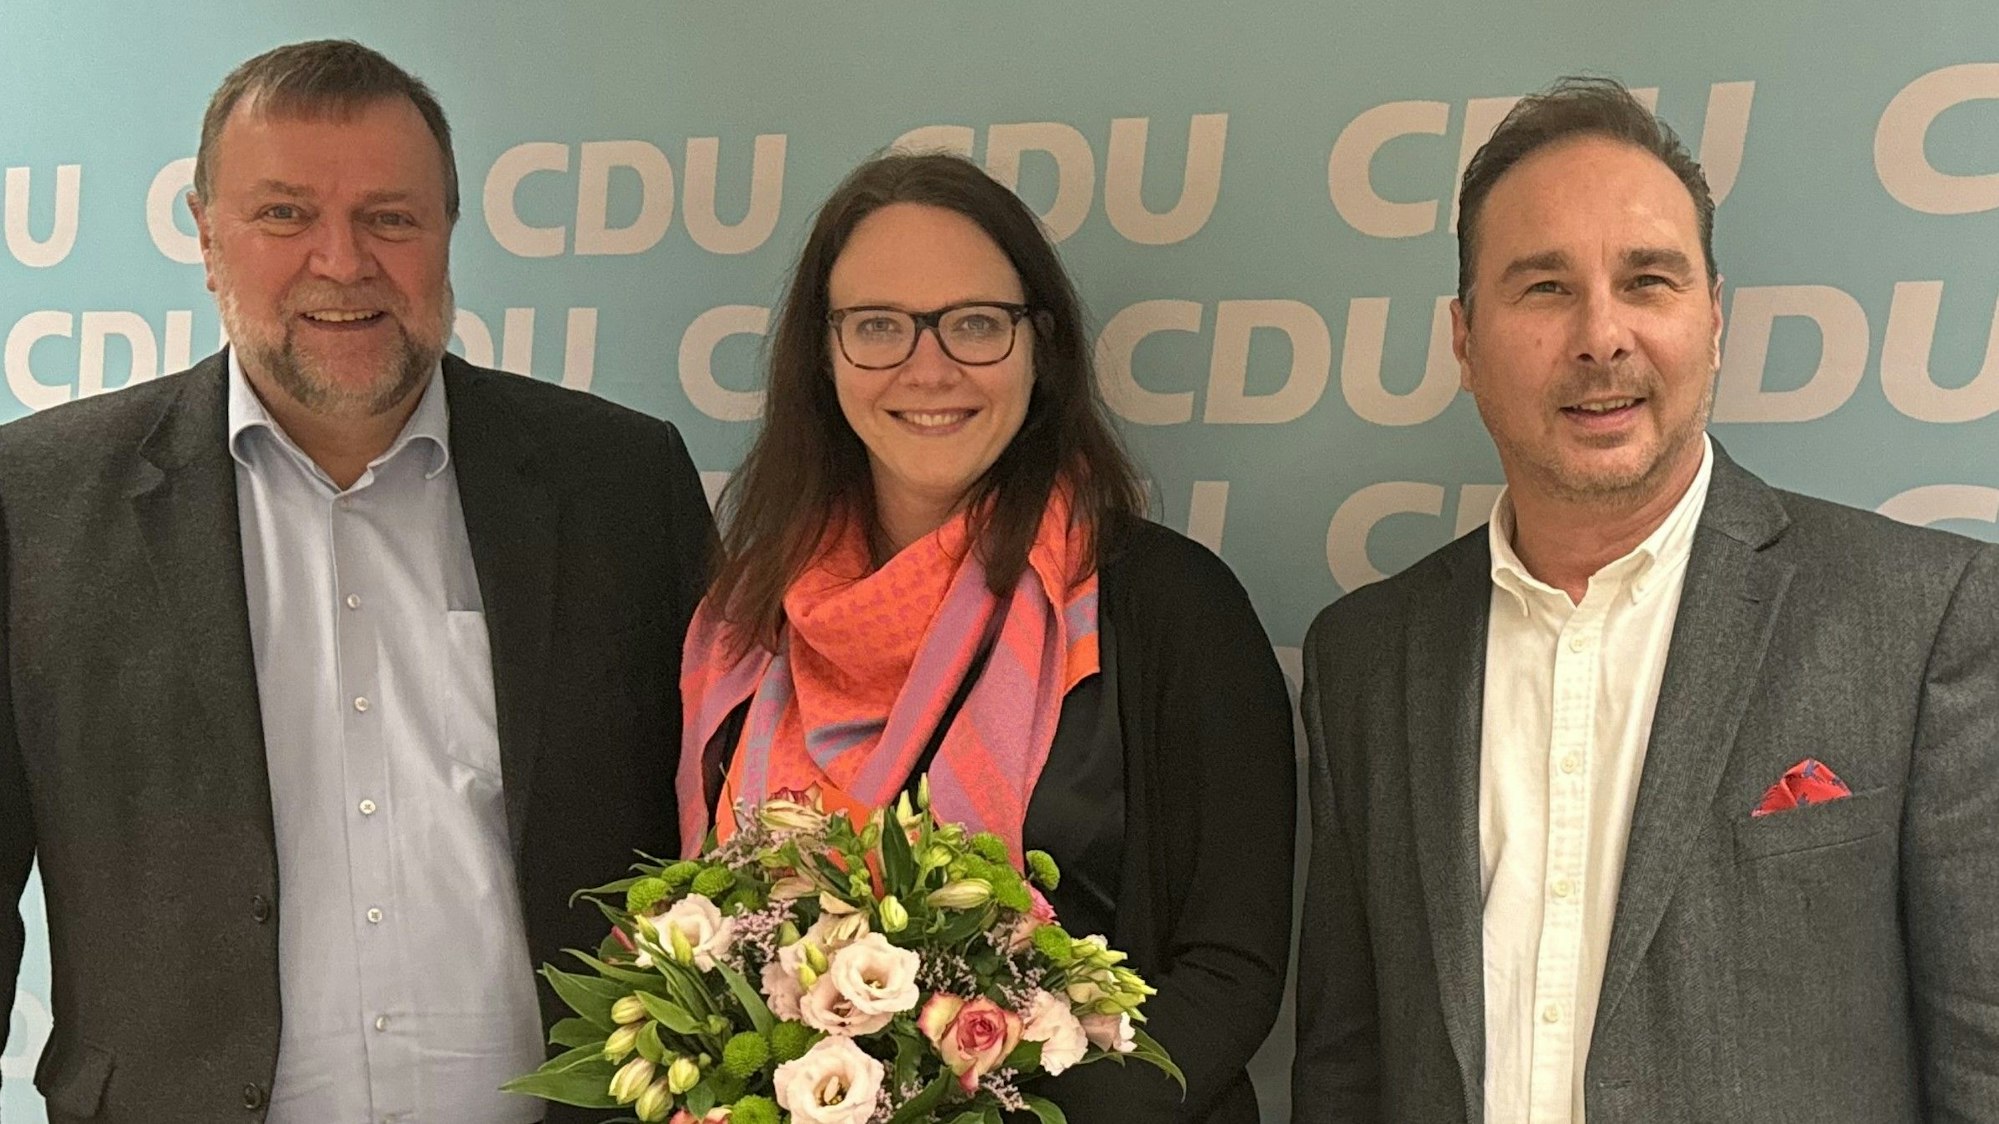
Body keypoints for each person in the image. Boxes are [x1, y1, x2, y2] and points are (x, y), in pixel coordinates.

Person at [0, 40, 715, 1124]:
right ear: (204, 233)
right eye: (284, 214)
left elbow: (720, 836)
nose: (342, 261)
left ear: (446, 232)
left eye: (390, 216)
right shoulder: (35, 502)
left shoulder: (622, 482)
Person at [1292, 76, 1999, 1123]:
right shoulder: (1366, 654)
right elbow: (1345, 1065)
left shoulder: (1919, 616)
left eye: (1647, 281)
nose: (1600, 335)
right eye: (1542, 287)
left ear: (1714, 317)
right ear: (1463, 338)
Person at [673, 152, 1295, 1122]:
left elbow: (1230, 969)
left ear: (1039, 347)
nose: (929, 367)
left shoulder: (1172, 607)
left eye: (975, 324)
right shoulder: (744, 624)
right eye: (877, 326)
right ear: (822, 353)